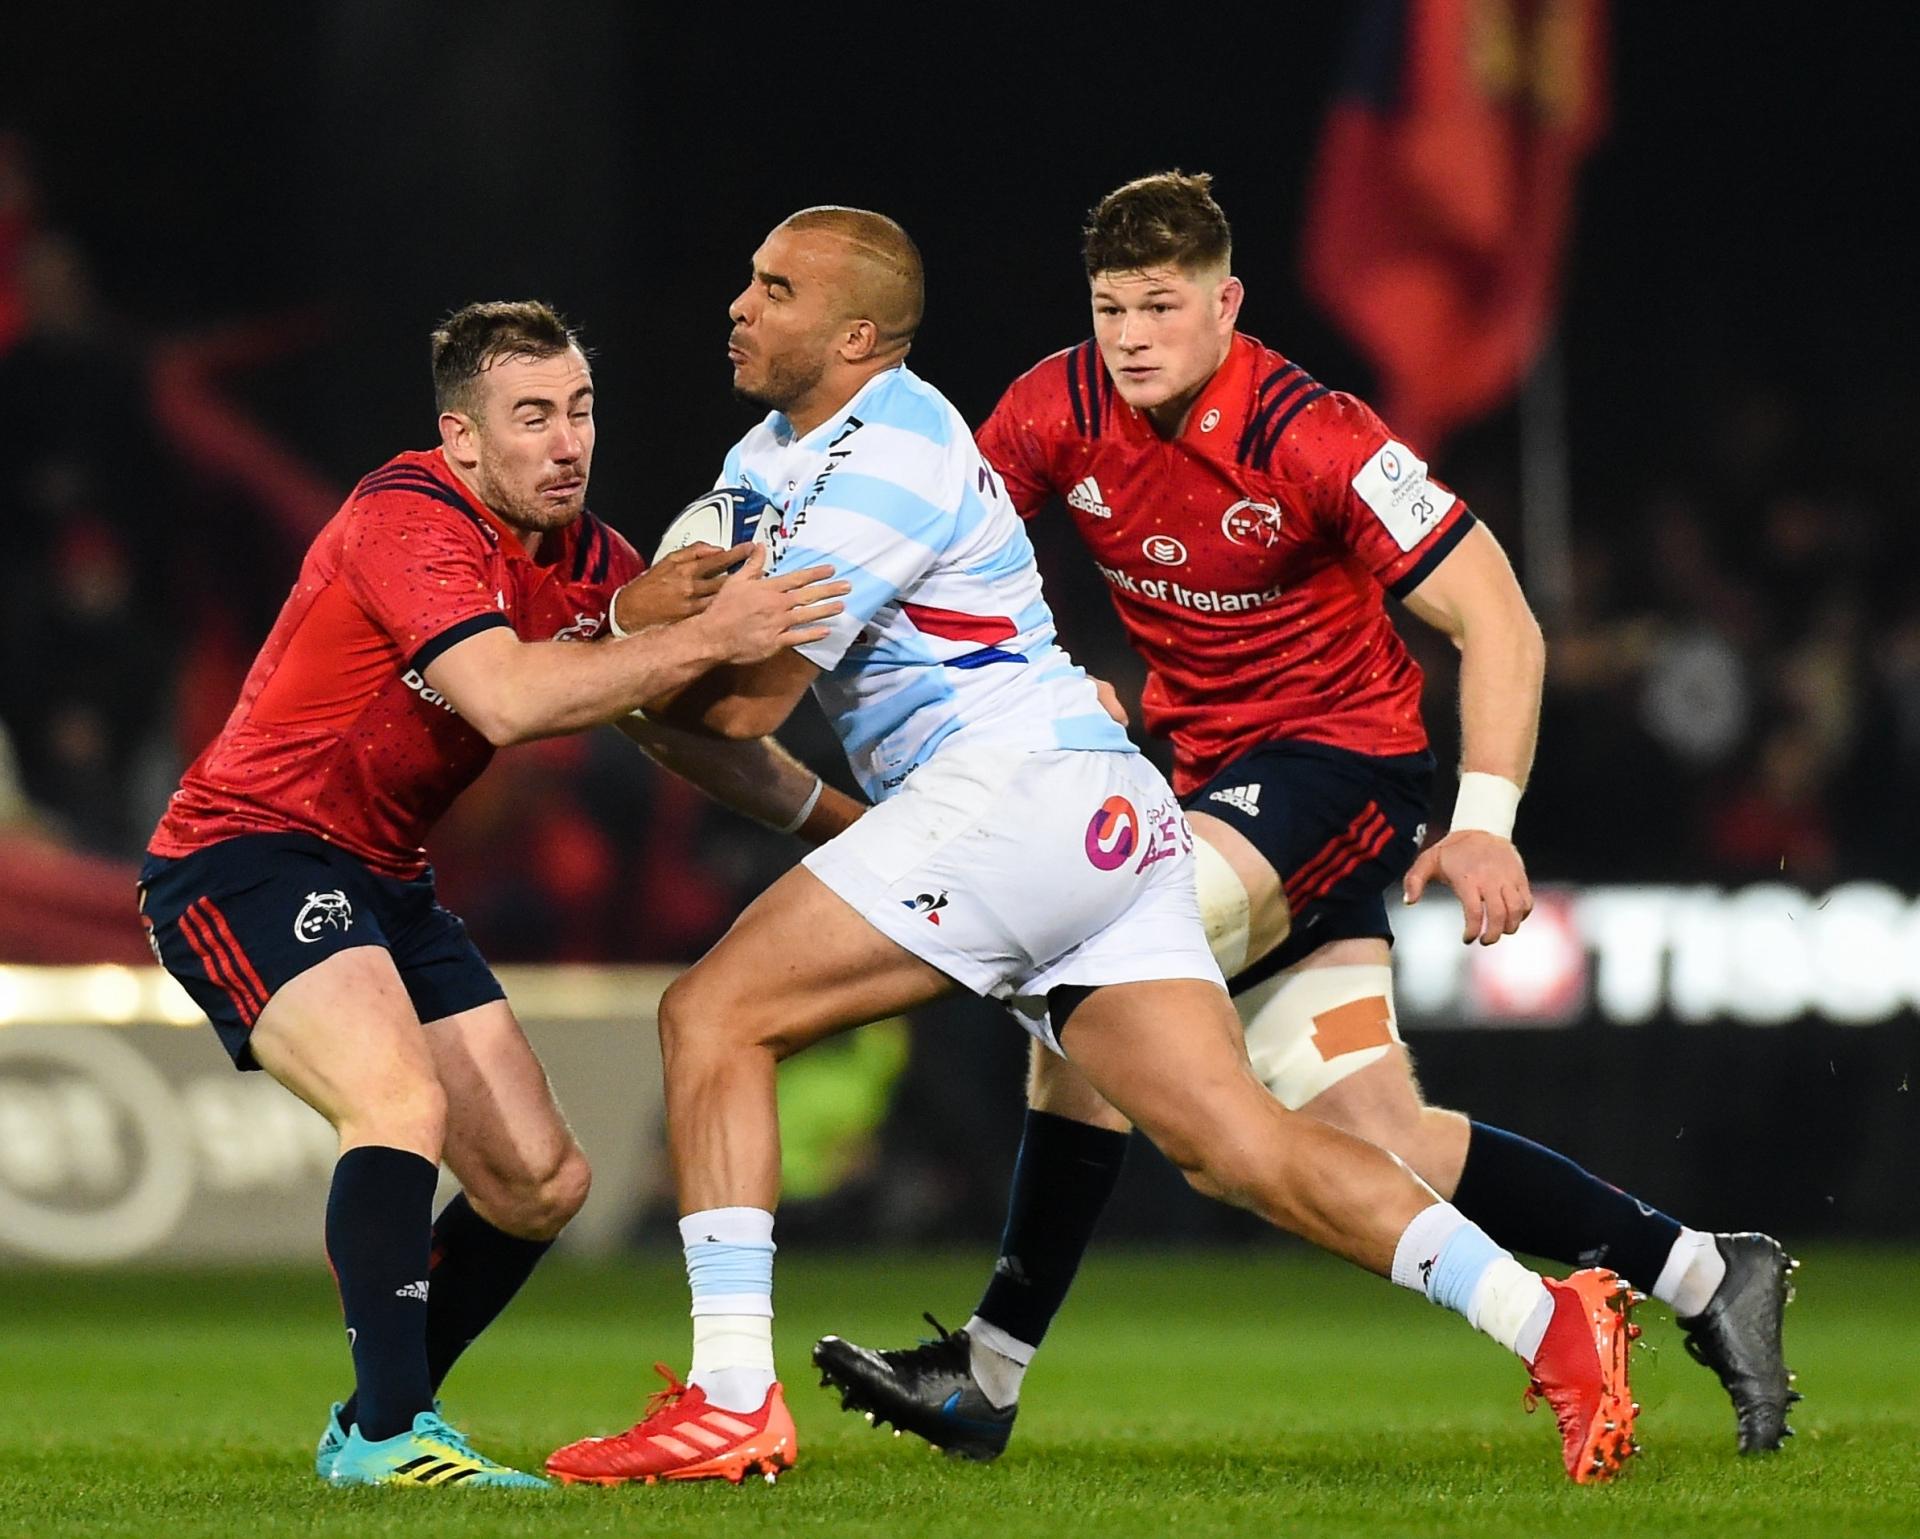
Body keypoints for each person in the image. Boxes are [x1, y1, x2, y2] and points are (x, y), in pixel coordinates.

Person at [544, 206, 1640, 1492]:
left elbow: (734, 708)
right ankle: (1550, 1321)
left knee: (713, 1017)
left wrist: (602, 660)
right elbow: (700, 704)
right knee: (1241, 1147)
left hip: (1025, 794)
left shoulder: (886, 455)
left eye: (772, 287)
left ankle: (734, 1400)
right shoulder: (778, 455)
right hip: (1098, 806)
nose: (738, 304)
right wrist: (638, 658)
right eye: (747, 277)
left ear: (853, 335)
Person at [811, 172, 1798, 1462]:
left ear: (1227, 304)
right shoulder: (1055, 407)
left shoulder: (1315, 433)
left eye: (1162, 306)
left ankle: (990, 1373)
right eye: (1111, 308)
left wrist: (1485, 815)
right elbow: (953, 547)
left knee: (1090, 967)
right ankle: (1704, 1275)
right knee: (1377, 1137)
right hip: (1205, 787)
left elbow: (1495, 616)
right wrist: (1043, 675)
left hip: (1340, 769)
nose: (1133, 337)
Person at [137, 300, 852, 1489]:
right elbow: (510, 699)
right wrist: (699, 632)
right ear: (463, 441)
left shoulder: (591, 564)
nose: (567, 441)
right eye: (531, 417)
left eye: (578, 409)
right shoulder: (405, 517)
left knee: (537, 1185)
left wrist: (849, 830)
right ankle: (388, 1435)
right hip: (248, 855)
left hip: (386, 878)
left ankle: (374, 1419)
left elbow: (681, 731)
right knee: (397, 1099)